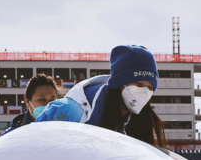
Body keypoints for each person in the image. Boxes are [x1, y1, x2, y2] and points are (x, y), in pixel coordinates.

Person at [35, 45, 167, 147]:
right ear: (120, 83)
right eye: (139, 84)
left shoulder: (137, 121)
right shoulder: (74, 111)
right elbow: (36, 144)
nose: (144, 92)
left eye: (150, 88)